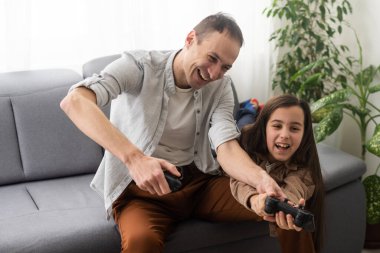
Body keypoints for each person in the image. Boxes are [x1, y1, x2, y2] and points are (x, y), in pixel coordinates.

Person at [60, 13, 288, 253]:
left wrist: (260, 179)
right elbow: (74, 101)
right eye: (212, 58)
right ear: (190, 39)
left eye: (225, 67)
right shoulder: (139, 66)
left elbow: (226, 146)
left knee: (281, 208)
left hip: (198, 183)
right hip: (141, 193)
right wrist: (135, 159)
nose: (214, 74)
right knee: (141, 242)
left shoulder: (220, 87)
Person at [230, 94, 325, 253]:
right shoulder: (247, 139)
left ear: (304, 133)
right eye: (277, 126)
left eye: (294, 128)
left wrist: (288, 205)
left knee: (295, 226)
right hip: (220, 187)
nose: (285, 135)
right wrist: (255, 198)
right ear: (264, 126)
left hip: (263, 204)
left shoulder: (305, 171)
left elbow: (294, 190)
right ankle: (249, 108)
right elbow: (237, 177)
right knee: (243, 119)